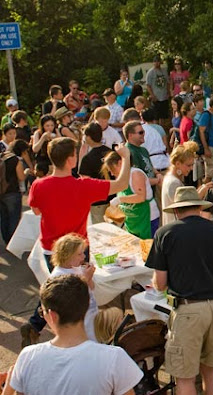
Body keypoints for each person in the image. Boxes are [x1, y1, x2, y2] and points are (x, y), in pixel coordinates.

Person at [21, 137, 131, 347]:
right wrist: (125, 157)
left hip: (50, 247)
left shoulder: (38, 185)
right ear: (71, 159)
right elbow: (122, 184)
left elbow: (36, 210)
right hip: (77, 250)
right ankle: (75, 337)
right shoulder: (83, 185)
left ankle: (37, 324)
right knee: (75, 294)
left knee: (57, 287)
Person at [145, 186, 213, 394]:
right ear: (198, 207)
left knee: (185, 378)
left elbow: (160, 283)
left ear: (176, 211)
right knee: (211, 372)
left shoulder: (165, 233)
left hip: (189, 310)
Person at [5, 275, 143, 395]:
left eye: (43, 312)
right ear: (87, 306)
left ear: (52, 316)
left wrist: (7, 390)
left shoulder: (27, 356)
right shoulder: (114, 358)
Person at [105, 152, 160, 239]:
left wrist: (119, 199)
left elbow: (141, 197)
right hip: (132, 221)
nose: (111, 173)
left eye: (111, 169)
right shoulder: (121, 178)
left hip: (147, 219)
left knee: (149, 249)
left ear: (120, 163)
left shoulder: (135, 174)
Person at [161, 141, 211, 224]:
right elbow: (184, 207)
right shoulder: (174, 182)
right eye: (188, 165)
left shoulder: (171, 178)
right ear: (177, 164)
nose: (191, 168)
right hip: (176, 228)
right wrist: (201, 193)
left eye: (192, 165)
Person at [78, 122, 113, 224]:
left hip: (97, 201)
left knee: (101, 230)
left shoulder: (87, 158)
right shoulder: (110, 152)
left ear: (88, 137)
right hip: (114, 197)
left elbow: (84, 182)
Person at [0, 140, 29, 244]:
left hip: (2, 191)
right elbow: (21, 177)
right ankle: (12, 241)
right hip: (12, 192)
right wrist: (26, 172)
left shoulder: (3, 156)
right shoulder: (16, 160)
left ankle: (6, 238)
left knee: (4, 217)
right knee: (14, 218)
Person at [124, 120, 163, 188]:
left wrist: (157, 174)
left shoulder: (143, 150)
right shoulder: (129, 152)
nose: (144, 134)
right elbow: (137, 179)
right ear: (130, 135)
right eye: (141, 132)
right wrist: (157, 181)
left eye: (143, 132)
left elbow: (150, 167)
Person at [146, 54, 172, 122]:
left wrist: (168, 92)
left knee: (163, 115)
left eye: (158, 61)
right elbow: (148, 85)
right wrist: (152, 95)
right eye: (155, 61)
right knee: (155, 116)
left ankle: (162, 129)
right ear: (153, 62)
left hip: (164, 96)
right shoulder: (150, 72)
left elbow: (168, 82)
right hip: (156, 97)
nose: (157, 63)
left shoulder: (164, 71)